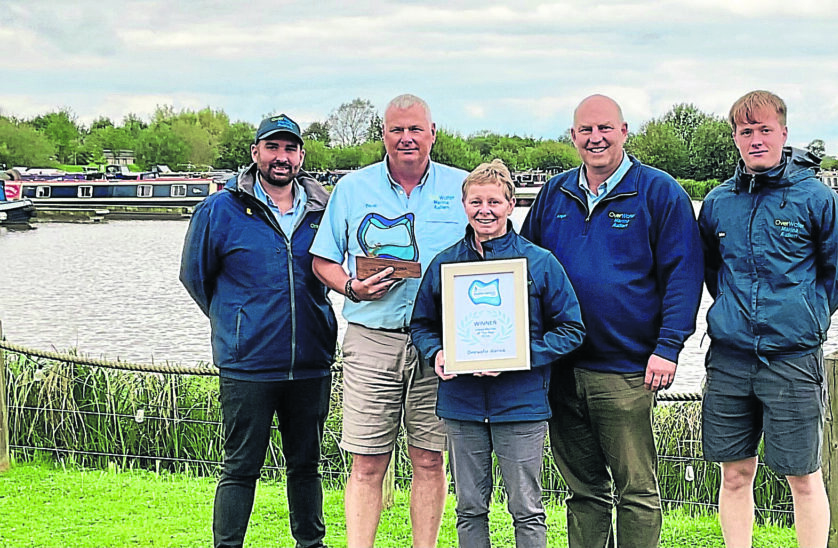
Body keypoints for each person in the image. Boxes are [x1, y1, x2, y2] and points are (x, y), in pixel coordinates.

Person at [521, 94, 704, 547]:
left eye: (605, 128)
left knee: (636, 491)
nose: (595, 138)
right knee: (583, 490)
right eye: (586, 130)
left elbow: (684, 275)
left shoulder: (659, 192)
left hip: (627, 369)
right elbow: (523, 269)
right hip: (561, 367)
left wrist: (668, 346)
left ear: (624, 131)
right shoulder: (553, 193)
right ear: (573, 136)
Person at [698, 90, 838, 548]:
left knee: (803, 475)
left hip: (792, 358)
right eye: (746, 131)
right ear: (735, 138)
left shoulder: (817, 199)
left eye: (764, 129)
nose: (756, 139)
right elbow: (714, 272)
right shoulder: (717, 203)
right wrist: (736, 313)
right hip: (729, 358)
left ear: (783, 134)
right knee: (735, 473)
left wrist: (802, 316)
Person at [309, 94, 467, 548]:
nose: (407, 138)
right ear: (383, 136)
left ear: (433, 134)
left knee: (429, 458)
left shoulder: (459, 188)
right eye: (397, 129)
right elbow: (323, 261)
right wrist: (350, 288)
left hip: (436, 344)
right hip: (371, 340)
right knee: (367, 462)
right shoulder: (353, 189)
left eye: (416, 129)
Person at [179, 114, 338, 548]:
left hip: (310, 363)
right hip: (246, 364)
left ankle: (311, 543)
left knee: (306, 465)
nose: (281, 157)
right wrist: (236, 323)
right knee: (240, 467)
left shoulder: (325, 211)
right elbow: (195, 277)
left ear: (301, 156)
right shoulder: (219, 210)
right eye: (273, 148)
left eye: (290, 149)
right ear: (255, 154)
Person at [410, 159, 585, 547]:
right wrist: (437, 353)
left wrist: (521, 354)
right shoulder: (445, 264)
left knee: (527, 510)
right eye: (475, 202)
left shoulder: (539, 263)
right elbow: (421, 325)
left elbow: (572, 329)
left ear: (510, 205)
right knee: (470, 508)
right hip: (461, 404)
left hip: (521, 404)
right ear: (464, 204)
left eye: (493, 202)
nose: (484, 210)